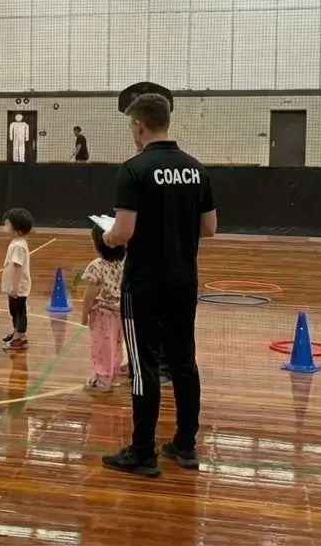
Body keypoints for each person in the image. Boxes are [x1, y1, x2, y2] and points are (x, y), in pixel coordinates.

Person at [100, 92, 217, 479]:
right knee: (183, 362)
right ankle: (185, 444)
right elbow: (210, 228)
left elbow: (125, 230)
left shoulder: (132, 170)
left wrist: (109, 238)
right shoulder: (196, 169)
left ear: (139, 124)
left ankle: (143, 452)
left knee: (142, 365)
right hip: (184, 280)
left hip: (145, 283)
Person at [81, 224, 124, 392]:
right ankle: (113, 376)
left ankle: (102, 379)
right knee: (115, 344)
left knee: (101, 346)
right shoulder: (124, 262)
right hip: (120, 312)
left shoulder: (96, 266)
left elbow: (90, 294)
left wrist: (84, 315)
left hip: (102, 314)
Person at [0, 208, 33, 352]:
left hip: (18, 288)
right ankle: (17, 333)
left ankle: (20, 338)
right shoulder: (17, 242)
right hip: (15, 288)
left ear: (17, 229)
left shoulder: (18, 246)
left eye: (8, 223)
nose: (5, 225)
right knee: (14, 312)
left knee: (19, 312)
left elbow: (18, 267)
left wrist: (14, 286)